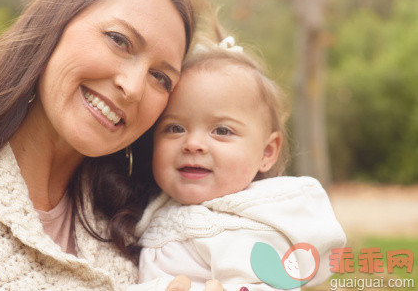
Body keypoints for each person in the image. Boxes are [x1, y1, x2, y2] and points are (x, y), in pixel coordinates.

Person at [0, 0, 199, 290]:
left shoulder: (147, 225)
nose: (133, 88)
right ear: (55, 25)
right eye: (119, 40)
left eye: (161, 77)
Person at [130, 32, 347, 290]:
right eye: (175, 128)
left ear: (266, 153)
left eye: (221, 131)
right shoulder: (151, 206)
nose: (193, 144)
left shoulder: (250, 227)